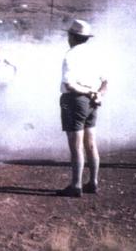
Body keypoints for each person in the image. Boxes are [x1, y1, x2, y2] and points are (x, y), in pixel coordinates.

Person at [57, 20, 108, 197]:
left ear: (72, 36)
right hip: (93, 102)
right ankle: (93, 182)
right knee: (91, 143)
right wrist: (97, 94)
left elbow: (70, 85)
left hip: (75, 101)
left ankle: (76, 186)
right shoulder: (95, 55)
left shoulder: (70, 55)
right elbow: (105, 82)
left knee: (76, 145)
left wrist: (88, 92)